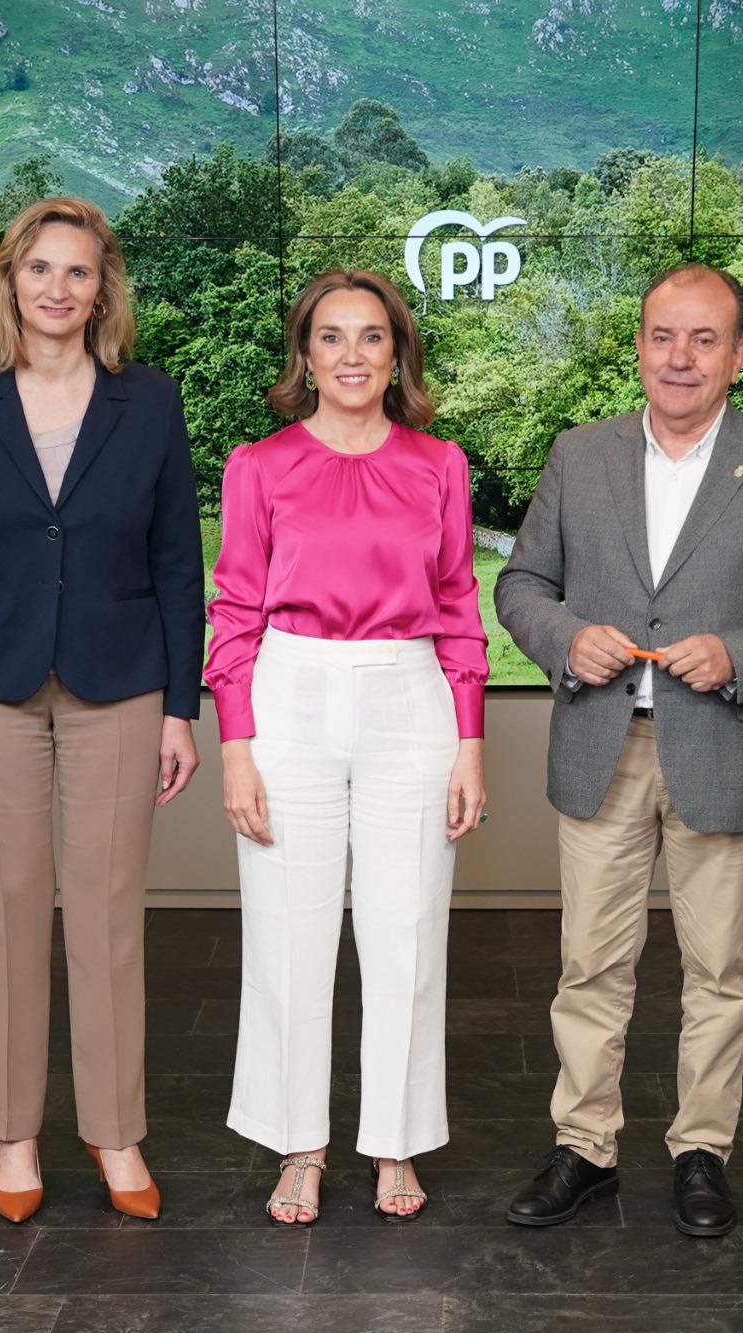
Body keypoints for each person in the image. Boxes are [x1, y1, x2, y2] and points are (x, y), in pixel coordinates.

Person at [494, 262, 743, 1238]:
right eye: (664, 335)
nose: (681, 357)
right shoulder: (579, 455)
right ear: (638, 346)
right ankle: (584, 1147)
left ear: (739, 355)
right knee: (589, 965)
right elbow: (520, 586)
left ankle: (701, 1150)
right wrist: (564, 637)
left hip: (728, 750)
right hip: (602, 745)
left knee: (719, 973)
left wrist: (742, 653)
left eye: (705, 339)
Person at [0, 196, 205, 1223]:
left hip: (121, 682)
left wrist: (180, 707)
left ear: (103, 289)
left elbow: (177, 560)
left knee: (111, 912)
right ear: (9, 281)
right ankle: (14, 1132)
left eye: (78, 271)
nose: (58, 288)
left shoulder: (149, 400)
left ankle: (114, 1131)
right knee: (7, 909)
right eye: (39, 268)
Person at [207, 269, 491, 1225]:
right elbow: (234, 609)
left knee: (406, 931)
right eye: (332, 337)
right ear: (306, 354)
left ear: (398, 354)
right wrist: (236, 746)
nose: (353, 355)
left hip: (410, 698)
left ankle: (395, 1142)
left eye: (373, 336)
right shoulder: (259, 465)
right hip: (290, 695)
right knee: (286, 932)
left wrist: (470, 741)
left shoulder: (439, 464)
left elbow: (458, 604)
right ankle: (300, 1145)